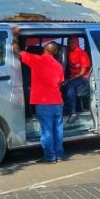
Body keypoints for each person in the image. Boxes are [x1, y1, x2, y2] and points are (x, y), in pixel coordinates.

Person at [12, 26, 65, 163]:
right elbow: (60, 83)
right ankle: (59, 155)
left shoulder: (37, 60)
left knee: (46, 131)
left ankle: (50, 157)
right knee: (57, 130)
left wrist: (14, 35)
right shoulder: (59, 66)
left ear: (44, 49)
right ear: (55, 52)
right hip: (57, 102)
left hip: (44, 103)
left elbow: (16, 51)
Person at [63, 36, 91, 124]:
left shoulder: (82, 53)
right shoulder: (68, 51)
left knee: (70, 85)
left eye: (72, 42)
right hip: (73, 76)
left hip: (83, 77)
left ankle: (73, 113)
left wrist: (69, 80)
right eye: (69, 42)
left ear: (77, 43)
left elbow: (82, 73)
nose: (70, 44)